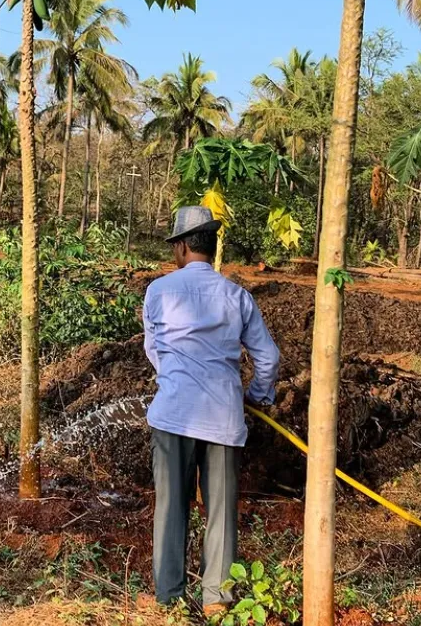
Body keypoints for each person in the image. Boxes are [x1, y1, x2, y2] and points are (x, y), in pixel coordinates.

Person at [142, 205, 280, 619]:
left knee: (170, 508)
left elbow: (155, 350)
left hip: (173, 416)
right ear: (212, 246)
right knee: (220, 511)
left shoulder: (159, 291)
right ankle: (217, 601)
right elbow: (268, 358)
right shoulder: (237, 296)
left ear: (182, 247)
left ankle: (169, 599)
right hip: (224, 418)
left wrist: (175, 377)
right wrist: (256, 395)